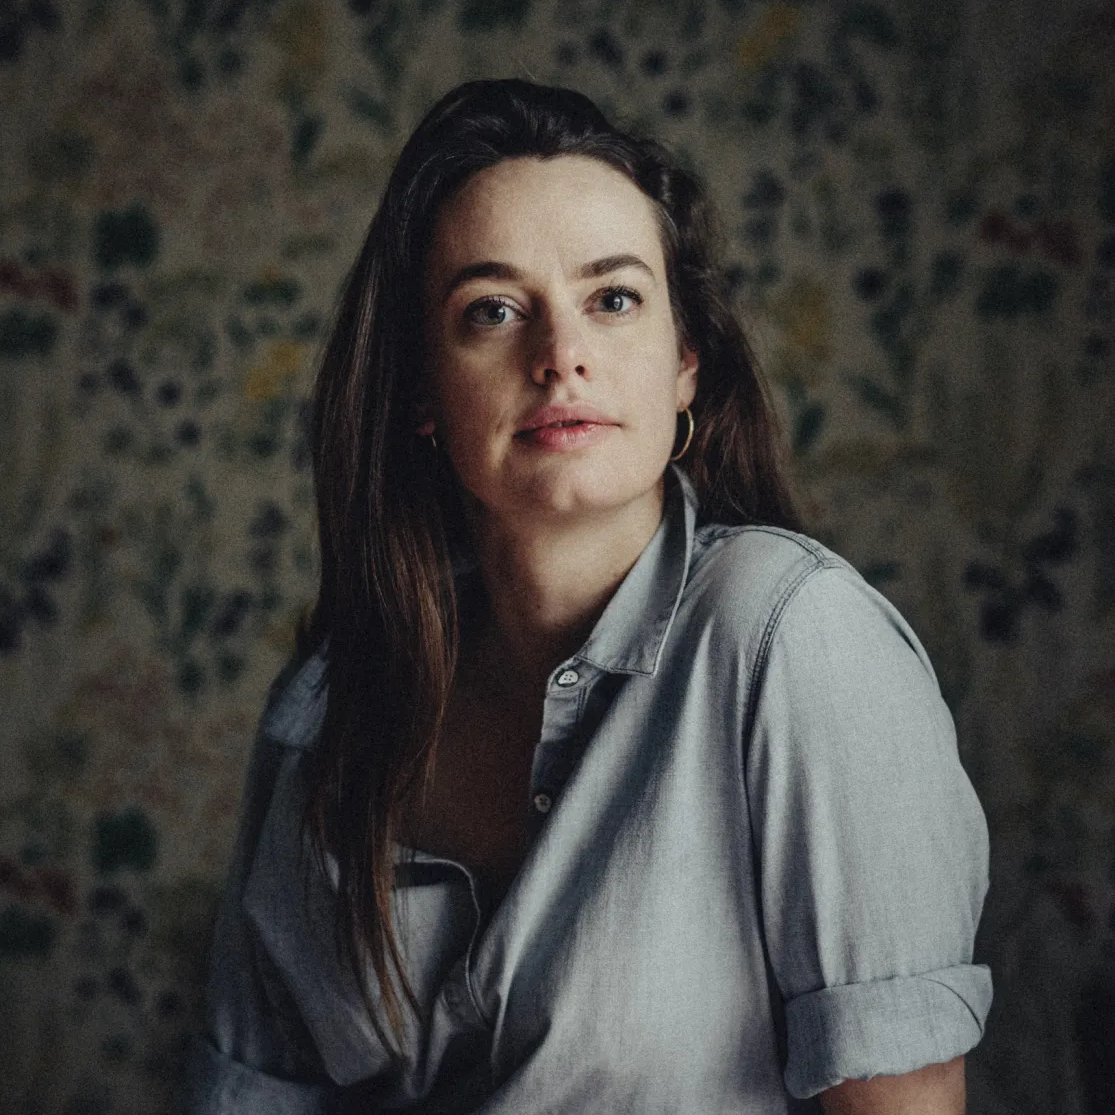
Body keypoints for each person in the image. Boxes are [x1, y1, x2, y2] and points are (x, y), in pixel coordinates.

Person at [186, 79, 991, 1114]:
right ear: (422, 393)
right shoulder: (326, 707)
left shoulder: (791, 642)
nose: (558, 356)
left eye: (612, 300)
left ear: (684, 362)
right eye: (492, 311)